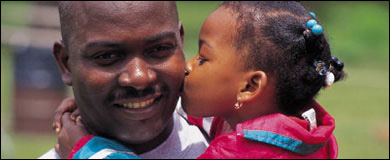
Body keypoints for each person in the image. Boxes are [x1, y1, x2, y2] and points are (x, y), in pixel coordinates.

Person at [54, 1, 346, 159]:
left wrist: (86, 150)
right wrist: (100, 102)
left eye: (203, 59)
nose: (188, 67)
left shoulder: (244, 151)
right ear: (66, 63)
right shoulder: (292, 131)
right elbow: (218, 118)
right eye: (107, 57)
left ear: (249, 87)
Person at [38, 1, 209, 159]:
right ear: (66, 63)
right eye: (107, 56)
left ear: (180, 42)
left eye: (159, 48)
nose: (139, 77)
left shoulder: (226, 137)